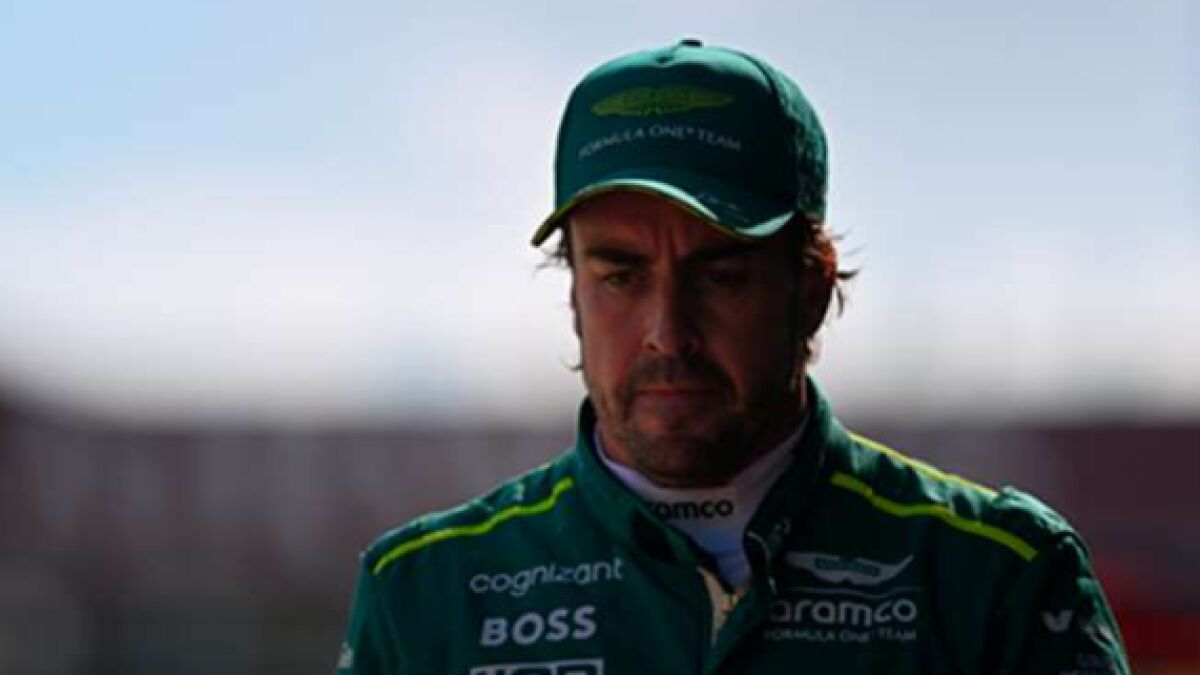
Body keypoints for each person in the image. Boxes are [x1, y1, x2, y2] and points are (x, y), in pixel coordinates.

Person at [334, 39, 1130, 675]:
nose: (667, 332)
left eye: (720, 275)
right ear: (573, 292)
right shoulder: (424, 592)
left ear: (811, 288)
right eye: (620, 275)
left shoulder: (997, 576)